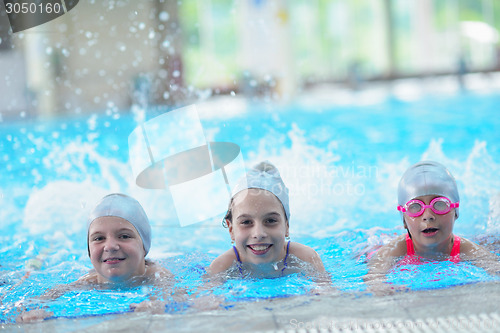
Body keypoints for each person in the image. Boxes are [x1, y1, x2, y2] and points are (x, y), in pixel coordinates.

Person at [16, 193, 178, 322]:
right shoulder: (88, 281)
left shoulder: (156, 274)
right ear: (89, 251)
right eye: (99, 238)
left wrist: (159, 303)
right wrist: (30, 312)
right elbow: (43, 297)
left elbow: (175, 294)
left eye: (124, 236)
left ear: (144, 246)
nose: (110, 246)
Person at [365, 161, 500, 294]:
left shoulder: (466, 249)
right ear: (404, 220)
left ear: (456, 212)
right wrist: (380, 286)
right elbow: (374, 277)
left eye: (440, 204)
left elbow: (494, 268)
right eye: (415, 207)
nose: (428, 216)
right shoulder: (396, 250)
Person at [208, 161, 327, 279]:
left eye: (270, 220)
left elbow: (327, 294)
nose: (259, 234)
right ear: (231, 229)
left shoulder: (305, 258)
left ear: (287, 226)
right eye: (246, 222)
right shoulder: (221, 267)